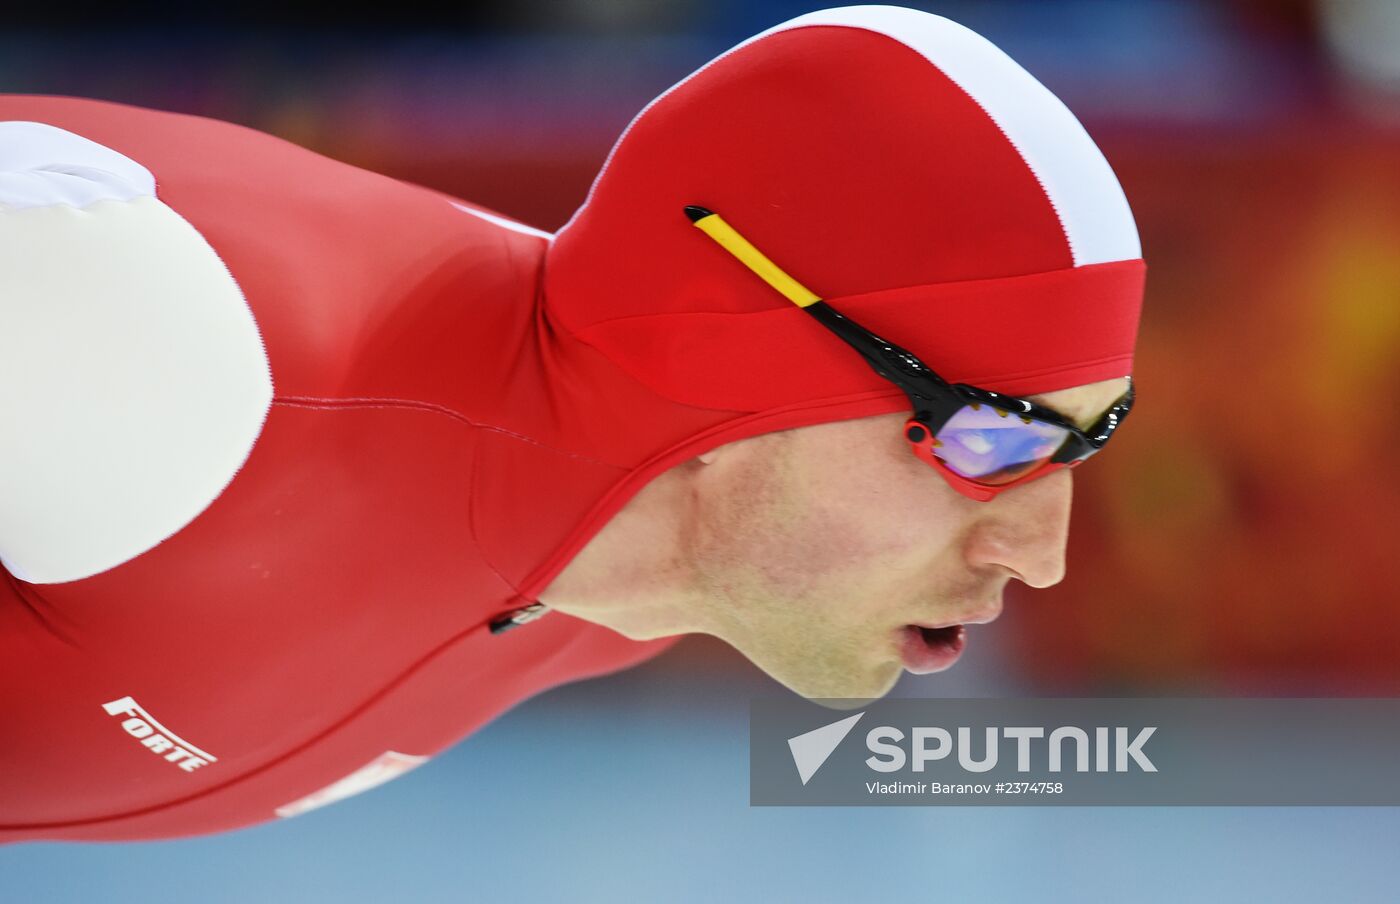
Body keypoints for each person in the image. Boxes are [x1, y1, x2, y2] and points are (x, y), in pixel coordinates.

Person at [0, 5, 1144, 841]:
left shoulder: (629, 584)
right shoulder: (158, 333)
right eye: (994, 439)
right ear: (730, 361)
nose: (1039, 559)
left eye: (1087, 440)